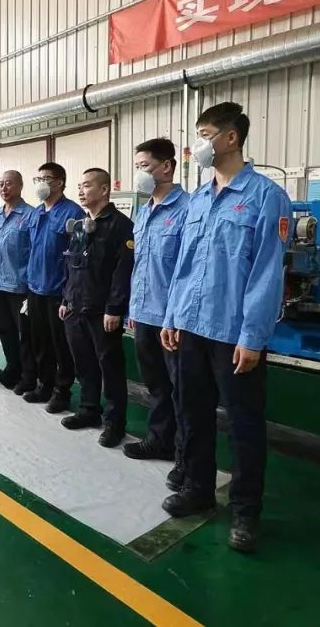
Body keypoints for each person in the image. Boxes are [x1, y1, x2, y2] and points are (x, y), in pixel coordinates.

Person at [161, 102, 291, 554]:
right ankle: (198, 490)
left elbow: (268, 271)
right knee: (192, 413)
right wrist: (173, 316)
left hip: (234, 333)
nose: (197, 145)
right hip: (191, 327)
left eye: (204, 135)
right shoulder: (197, 199)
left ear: (230, 138)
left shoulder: (266, 196)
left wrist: (253, 337)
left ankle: (245, 511)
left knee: (243, 424)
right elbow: (184, 264)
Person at [124, 138, 190, 494]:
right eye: (137, 167)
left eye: (145, 166)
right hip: (145, 314)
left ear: (166, 167)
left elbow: (188, 271)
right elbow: (140, 266)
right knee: (156, 386)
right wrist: (134, 309)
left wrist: (175, 318)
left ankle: (185, 458)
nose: (140, 174)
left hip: (172, 319)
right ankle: (160, 439)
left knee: (182, 391)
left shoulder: (188, 209)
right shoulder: (144, 210)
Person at [58, 169, 135, 448]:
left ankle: (115, 423)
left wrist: (114, 308)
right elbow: (71, 264)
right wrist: (66, 300)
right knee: (84, 363)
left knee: (110, 367)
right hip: (76, 307)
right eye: (79, 186)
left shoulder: (120, 225)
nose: (81, 191)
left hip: (102, 312)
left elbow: (122, 271)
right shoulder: (80, 225)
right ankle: (89, 409)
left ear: (104, 190)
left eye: (87, 186)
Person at [24, 162, 85, 412]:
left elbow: (79, 256)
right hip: (35, 288)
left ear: (59, 182)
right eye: (38, 179)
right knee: (40, 342)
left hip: (59, 291)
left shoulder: (73, 213)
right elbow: (31, 249)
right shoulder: (36, 213)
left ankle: (62, 392)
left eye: (46, 178)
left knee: (61, 346)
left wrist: (69, 294)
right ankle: (45, 385)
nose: (41, 183)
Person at [0, 170, 35, 393]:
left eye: (8, 184)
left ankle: (29, 375)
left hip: (21, 285)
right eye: (1, 184)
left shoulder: (30, 215)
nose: (4, 188)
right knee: (4, 330)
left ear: (20, 185)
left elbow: (35, 252)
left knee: (25, 334)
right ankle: (12, 369)